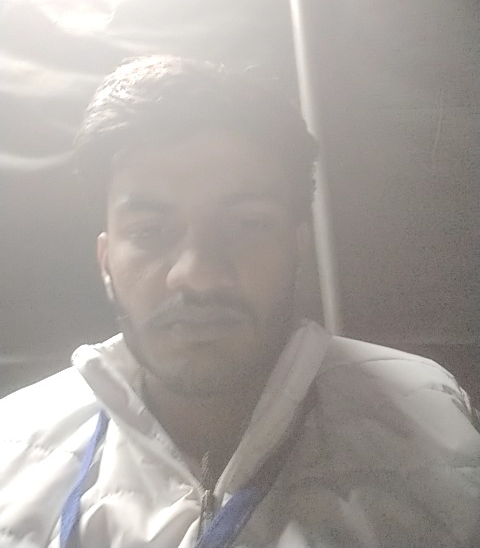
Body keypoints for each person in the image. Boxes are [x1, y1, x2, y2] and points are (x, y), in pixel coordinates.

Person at [0, 55, 479, 548]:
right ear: (106, 261)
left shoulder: (434, 420)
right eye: (149, 231)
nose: (198, 275)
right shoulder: (12, 446)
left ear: (297, 247)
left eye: (248, 225)